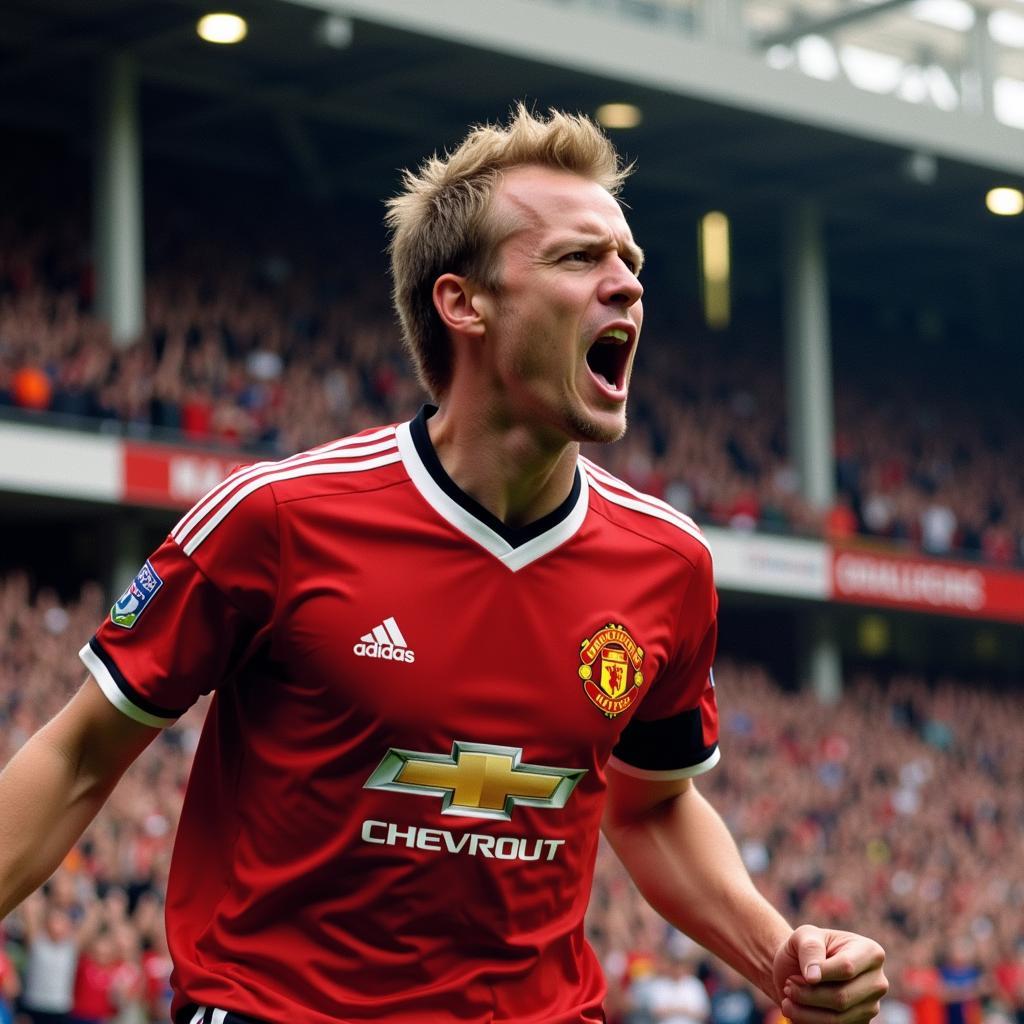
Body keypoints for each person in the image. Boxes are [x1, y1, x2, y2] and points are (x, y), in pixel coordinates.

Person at [0, 105, 887, 1023]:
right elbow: (76, 759)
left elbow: (653, 807)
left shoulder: (669, 565)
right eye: (581, 258)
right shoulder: (280, 516)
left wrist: (778, 952)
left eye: (631, 262)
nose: (627, 286)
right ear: (463, 302)